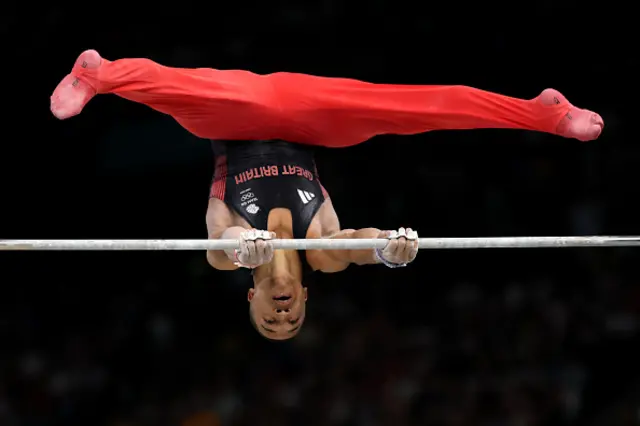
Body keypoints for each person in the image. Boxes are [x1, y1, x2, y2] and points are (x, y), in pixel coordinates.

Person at [51, 50, 603, 340]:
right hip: (313, 122)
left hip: (235, 117)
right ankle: (543, 115)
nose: (282, 317)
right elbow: (357, 243)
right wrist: (388, 248)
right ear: (306, 304)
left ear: (253, 300)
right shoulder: (321, 252)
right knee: (414, 108)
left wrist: (247, 244)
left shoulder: (226, 256)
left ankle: (98, 74)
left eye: (270, 321)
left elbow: (225, 240)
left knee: (184, 93)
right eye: (291, 322)